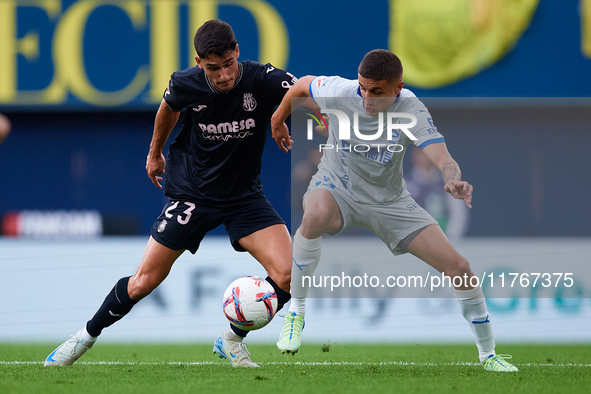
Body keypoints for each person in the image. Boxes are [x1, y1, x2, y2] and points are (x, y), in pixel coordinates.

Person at [45, 20, 296, 368]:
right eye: (213, 68)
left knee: (288, 274)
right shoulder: (186, 83)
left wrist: (280, 115)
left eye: (227, 64)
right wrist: (154, 153)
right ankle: (82, 339)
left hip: (243, 197)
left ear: (237, 51)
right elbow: (168, 107)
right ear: (198, 62)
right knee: (143, 282)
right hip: (193, 194)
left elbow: (302, 90)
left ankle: (232, 340)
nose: (223, 75)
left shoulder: (262, 78)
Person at [270, 49, 518, 372]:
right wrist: (278, 120)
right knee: (313, 216)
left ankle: (489, 355)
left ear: (397, 88)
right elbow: (302, 85)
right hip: (337, 188)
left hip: (390, 202)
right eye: (363, 88)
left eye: (377, 92)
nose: (367, 99)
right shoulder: (342, 91)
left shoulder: (411, 107)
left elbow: (443, 157)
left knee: (460, 268)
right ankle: (296, 313)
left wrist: (452, 179)